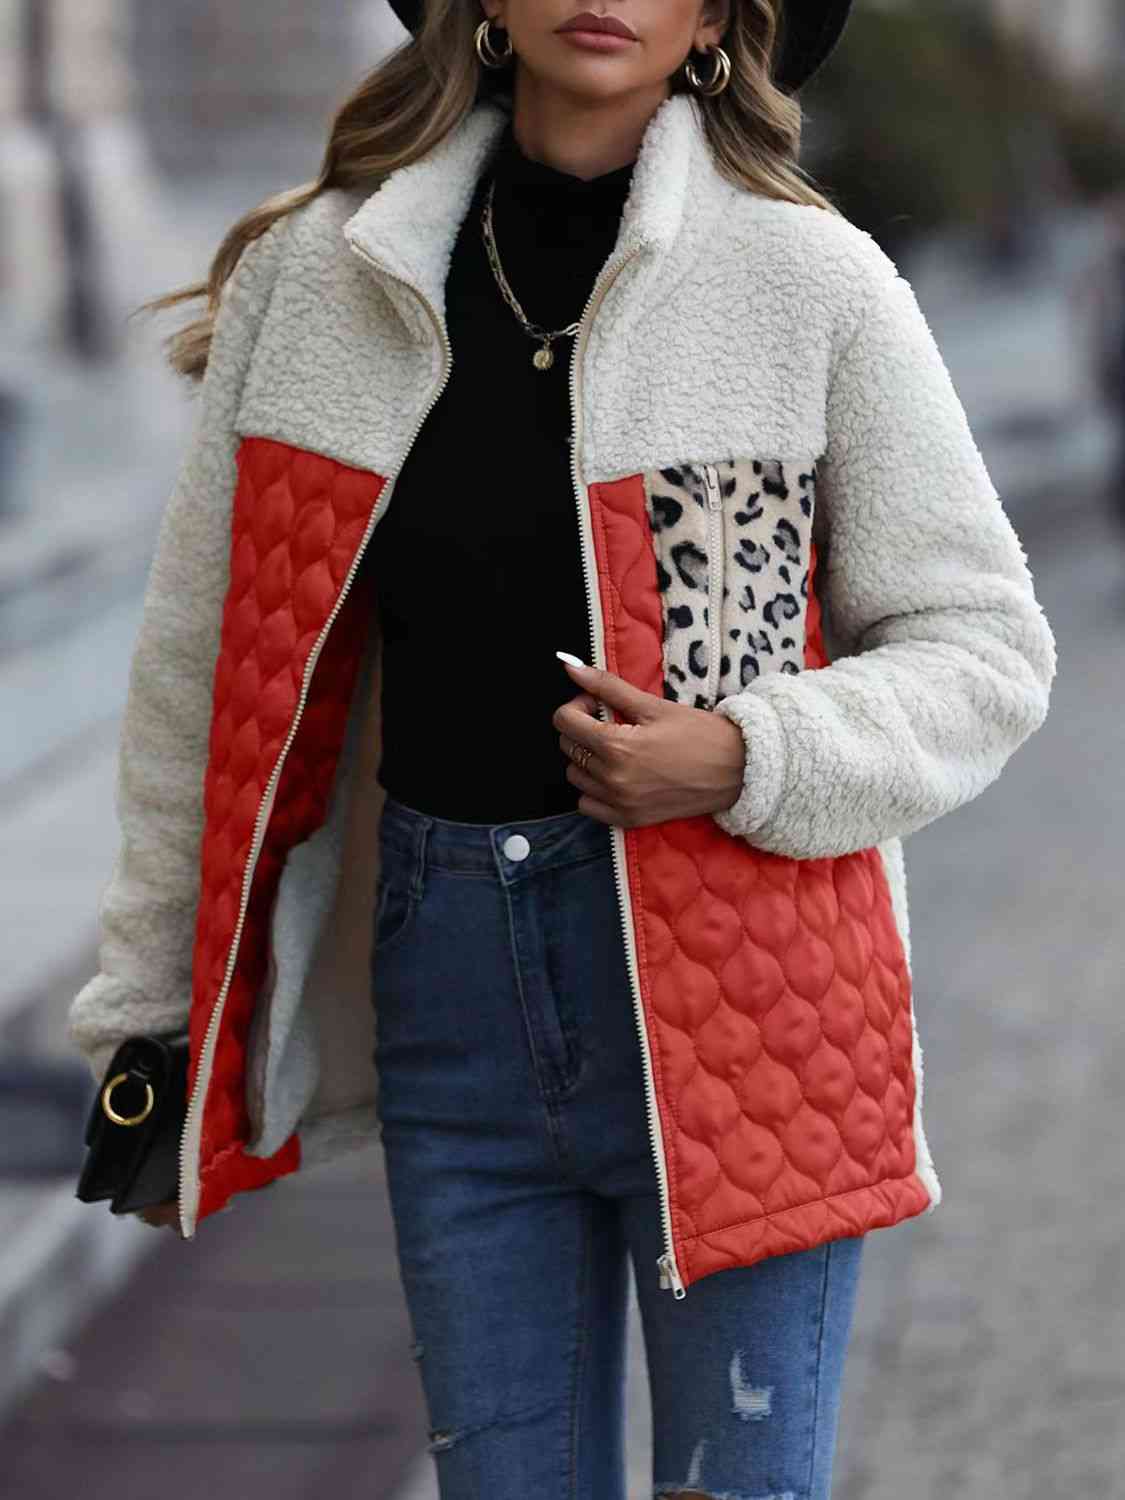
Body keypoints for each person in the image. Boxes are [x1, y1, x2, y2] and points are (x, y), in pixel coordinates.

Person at [66, 1, 1057, 1495]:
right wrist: (153, 1010)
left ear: (718, 20)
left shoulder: (808, 282)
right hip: (444, 973)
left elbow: (984, 647)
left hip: (753, 989)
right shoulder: (323, 275)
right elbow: (203, 672)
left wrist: (744, 751)